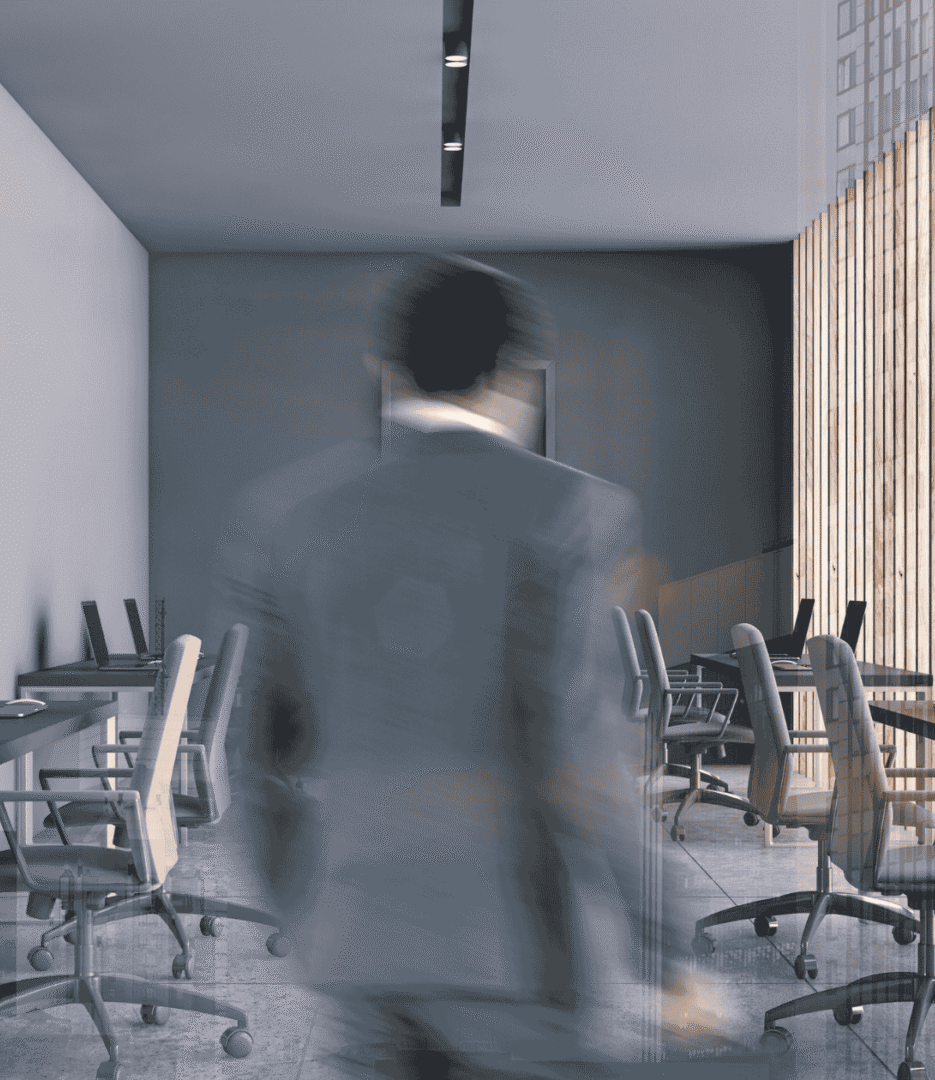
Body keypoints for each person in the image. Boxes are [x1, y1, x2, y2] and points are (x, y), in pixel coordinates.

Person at [221, 257, 727, 1079]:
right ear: (519, 373)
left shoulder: (287, 518)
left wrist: (311, 910)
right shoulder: (567, 508)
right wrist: (668, 955)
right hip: (522, 949)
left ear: (383, 372)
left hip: (360, 936)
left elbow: (259, 763)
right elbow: (579, 756)